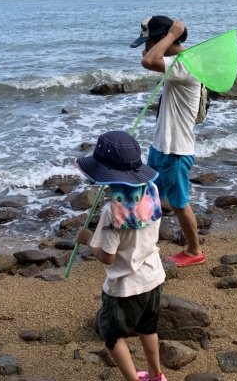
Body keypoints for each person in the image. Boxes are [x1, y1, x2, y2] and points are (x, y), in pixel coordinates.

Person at [75, 130, 168, 381]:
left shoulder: (111, 211)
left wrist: (87, 241)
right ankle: (155, 374)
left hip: (125, 285)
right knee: (147, 327)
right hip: (154, 275)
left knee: (112, 335)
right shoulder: (152, 192)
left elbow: (107, 257)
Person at [131, 16, 205, 267]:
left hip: (175, 149)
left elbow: (148, 61)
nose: (146, 45)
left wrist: (170, 36)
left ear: (161, 38)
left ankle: (195, 250)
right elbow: (149, 57)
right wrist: (158, 42)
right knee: (149, 195)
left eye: (148, 40)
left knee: (178, 202)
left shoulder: (187, 64)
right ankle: (142, 242)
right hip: (162, 146)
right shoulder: (178, 62)